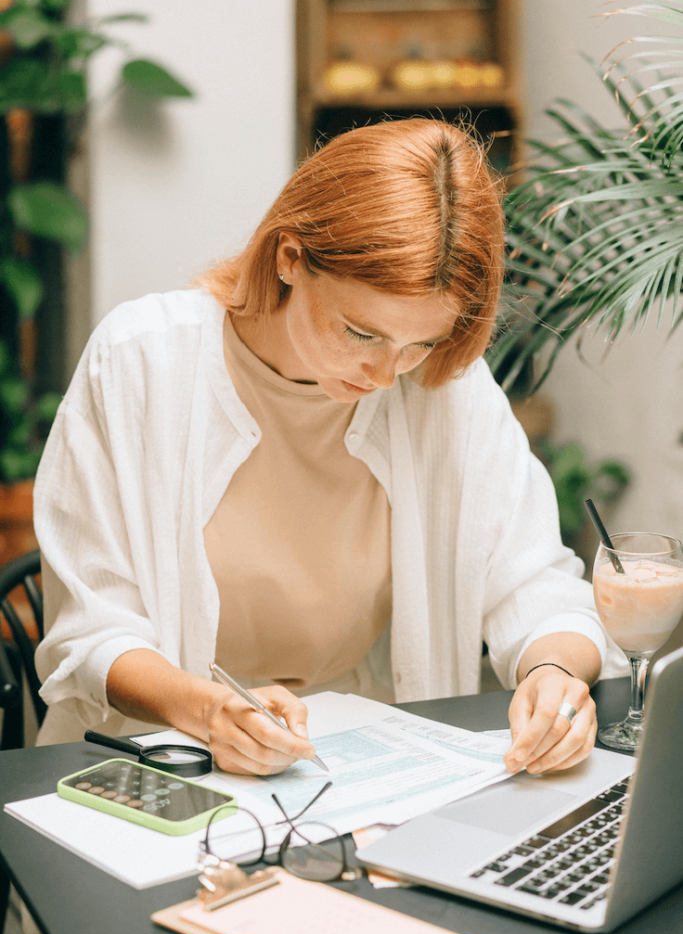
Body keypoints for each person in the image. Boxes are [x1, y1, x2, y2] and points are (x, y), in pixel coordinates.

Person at [33, 118, 626, 780]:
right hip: (160, 760)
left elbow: (533, 580)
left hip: (360, 765)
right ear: (289, 257)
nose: (383, 374)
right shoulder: (140, 361)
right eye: (359, 332)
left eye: (420, 342)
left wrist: (553, 671)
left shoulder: (442, 387)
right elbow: (91, 632)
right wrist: (210, 713)